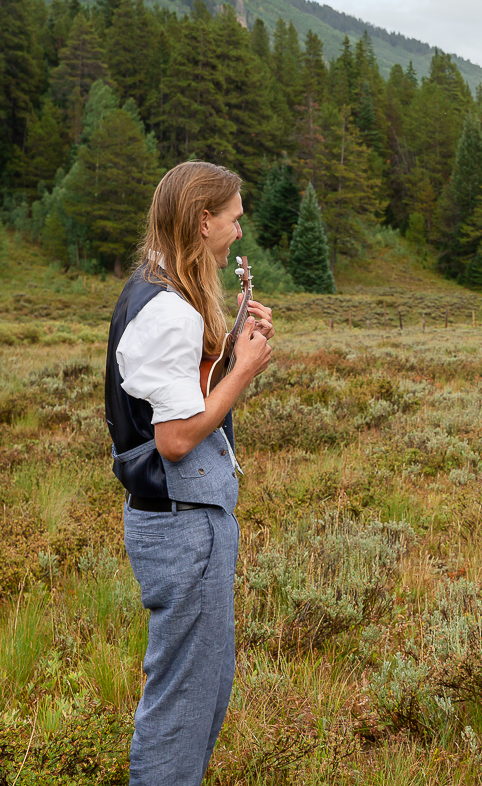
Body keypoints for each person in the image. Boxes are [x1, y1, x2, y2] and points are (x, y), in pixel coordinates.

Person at [104, 160, 274, 785]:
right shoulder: (169, 309)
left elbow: (173, 399)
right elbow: (175, 438)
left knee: (200, 692)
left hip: (179, 524)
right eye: (232, 218)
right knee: (183, 703)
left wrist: (228, 354)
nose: (238, 228)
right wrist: (243, 371)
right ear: (204, 222)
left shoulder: (155, 288)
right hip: (182, 529)